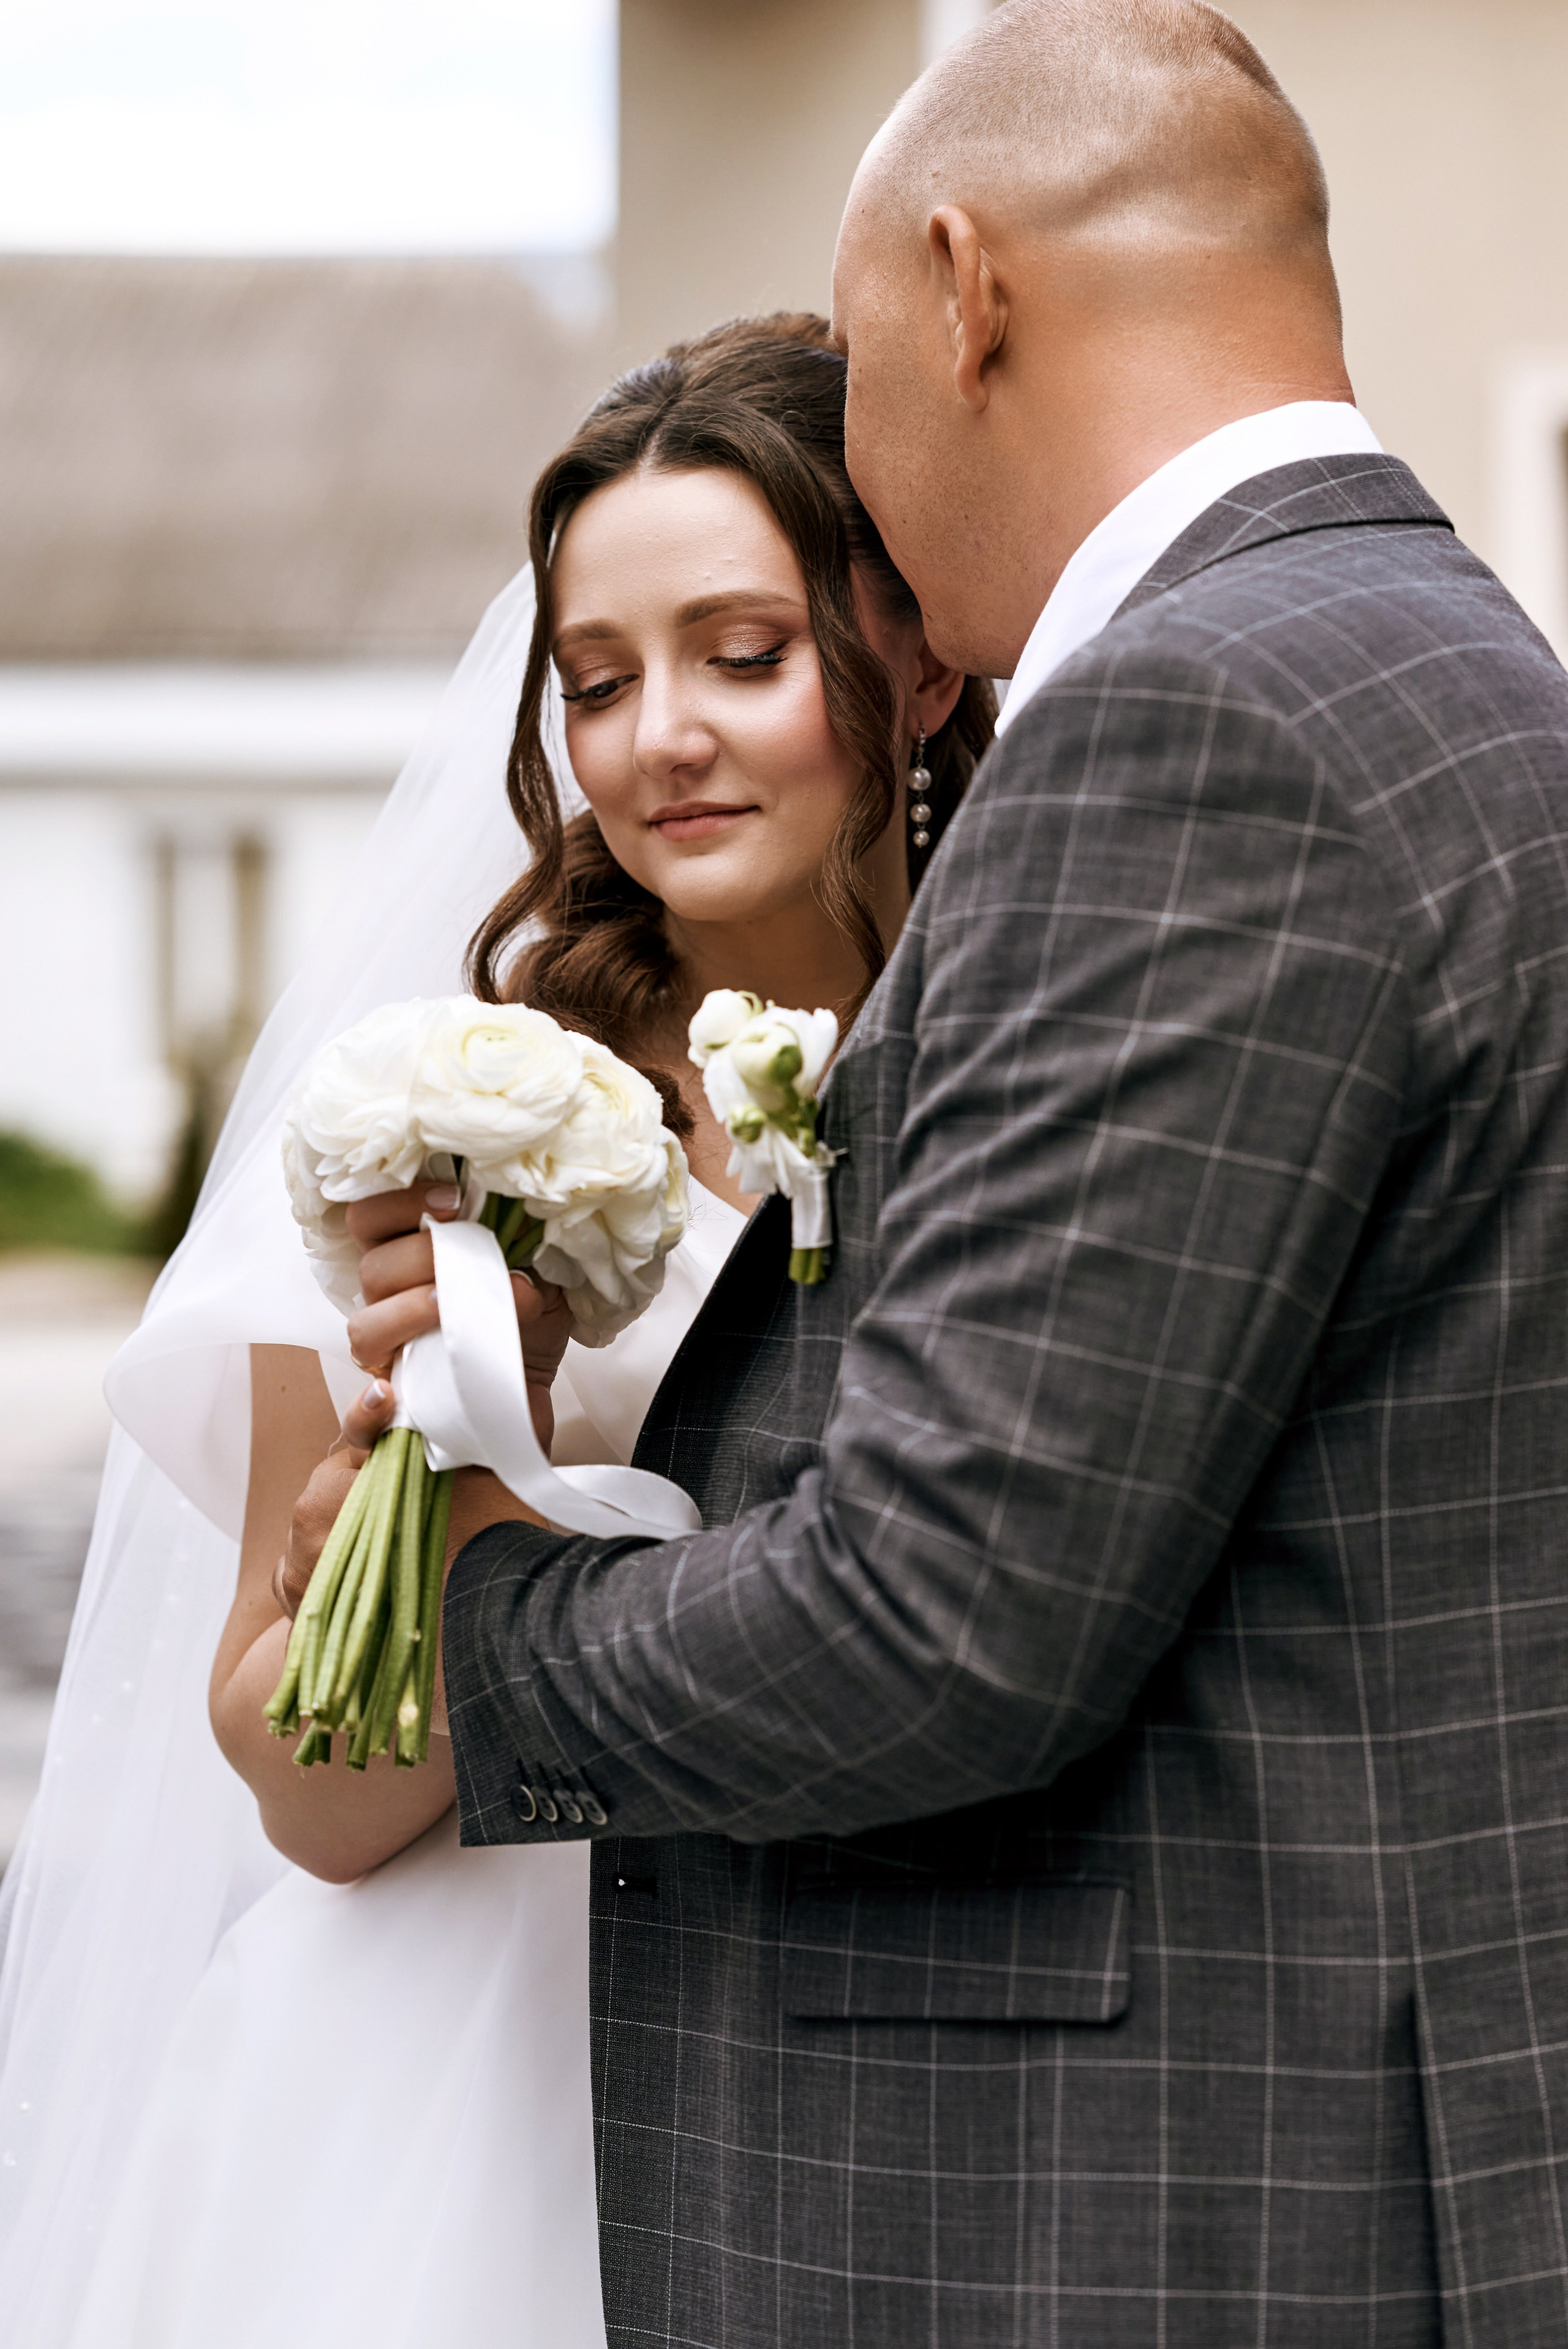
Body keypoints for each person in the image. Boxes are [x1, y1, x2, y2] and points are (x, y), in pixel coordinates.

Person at [319, 4, 1568, 2343]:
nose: (870, 490)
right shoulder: (1457, 667)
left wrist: (486, 1606)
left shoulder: (1195, 725)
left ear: (968, 290)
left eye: (867, 385)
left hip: (1126, 2215)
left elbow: (938, 1610)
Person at [0, 315, 989, 2346]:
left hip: (889, 2052)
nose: (660, 740)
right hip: (447, 2081)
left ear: (916, 663)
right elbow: (310, 1789)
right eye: (602, 681)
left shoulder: (1028, 1070)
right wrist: (468, 1427)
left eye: (744, 652)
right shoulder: (436, 1123)